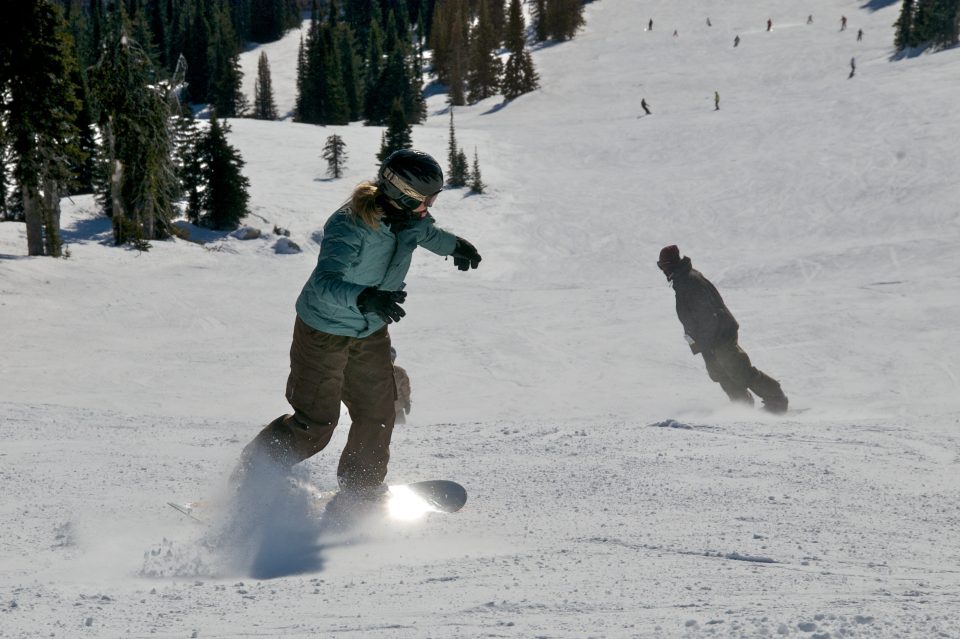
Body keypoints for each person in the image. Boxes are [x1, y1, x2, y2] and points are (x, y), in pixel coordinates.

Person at [232, 149, 482, 497]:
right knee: (316, 424)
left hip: (370, 331)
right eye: (425, 199)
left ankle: (360, 488)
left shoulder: (409, 219)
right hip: (324, 331)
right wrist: (364, 297)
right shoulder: (350, 225)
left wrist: (456, 246)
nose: (429, 207)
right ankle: (252, 477)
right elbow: (324, 282)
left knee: (378, 414)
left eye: (433, 199)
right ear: (402, 195)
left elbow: (427, 235)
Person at [657, 245, 789, 413]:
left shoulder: (689, 281)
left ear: (671, 264)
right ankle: (742, 405)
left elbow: (709, 315)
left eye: (663, 266)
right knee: (719, 373)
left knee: (739, 370)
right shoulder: (682, 281)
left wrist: (707, 341)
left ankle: (776, 399)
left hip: (719, 335)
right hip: (708, 339)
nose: (662, 270)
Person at [391, 347, 411, 425]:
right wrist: (407, 403)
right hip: (397, 410)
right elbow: (405, 390)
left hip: (380, 411)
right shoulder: (400, 372)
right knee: (401, 428)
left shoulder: (375, 372)